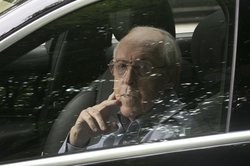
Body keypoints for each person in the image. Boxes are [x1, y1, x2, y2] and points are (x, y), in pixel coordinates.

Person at [59, 26, 196, 153]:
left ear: (170, 77)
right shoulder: (121, 125)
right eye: (122, 66)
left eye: (143, 67)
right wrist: (78, 139)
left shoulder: (173, 138)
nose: (128, 79)